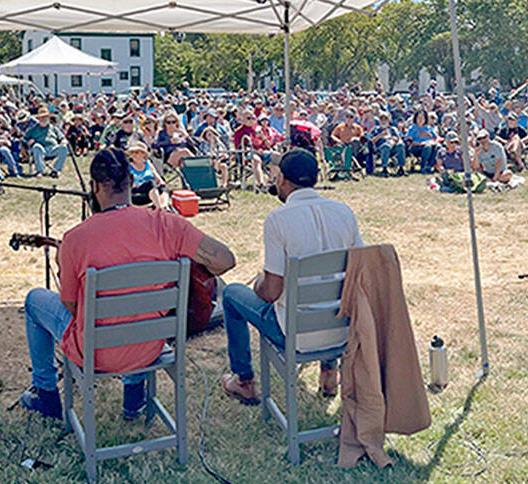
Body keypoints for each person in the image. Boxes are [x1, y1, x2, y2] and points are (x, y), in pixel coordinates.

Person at [18, 148, 236, 420]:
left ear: (95, 186)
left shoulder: (75, 239)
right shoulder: (168, 225)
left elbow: (73, 308)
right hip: (149, 346)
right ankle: (134, 398)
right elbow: (225, 260)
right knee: (140, 310)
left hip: (95, 352)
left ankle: (46, 395)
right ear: (132, 183)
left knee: (34, 300)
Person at [220, 149, 363, 405]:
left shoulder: (278, 219)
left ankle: (243, 380)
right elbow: (362, 270)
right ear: (316, 179)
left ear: (282, 179)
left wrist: (258, 282)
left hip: (296, 333)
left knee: (231, 295)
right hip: (342, 329)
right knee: (328, 290)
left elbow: (271, 292)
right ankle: (330, 372)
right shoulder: (344, 212)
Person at [126, 139, 170, 210]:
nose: (133, 155)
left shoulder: (148, 164)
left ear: (143, 154)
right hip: (136, 193)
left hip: (151, 192)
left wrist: (160, 183)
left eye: (136, 152)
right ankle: (159, 209)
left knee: (162, 188)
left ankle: (164, 206)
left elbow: (159, 179)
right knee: (151, 183)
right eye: (132, 153)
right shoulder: (128, 166)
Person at [25, 108, 69, 177]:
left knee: (64, 148)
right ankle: (40, 171)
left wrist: (63, 140)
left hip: (53, 148)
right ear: (39, 119)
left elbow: (62, 137)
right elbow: (24, 139)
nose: (44, 119)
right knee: (36, 146)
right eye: (42, 117)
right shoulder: (33, 129)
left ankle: (55, 170)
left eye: (45, 117)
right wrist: (29, 141)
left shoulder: (53, 127)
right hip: (41, 149)